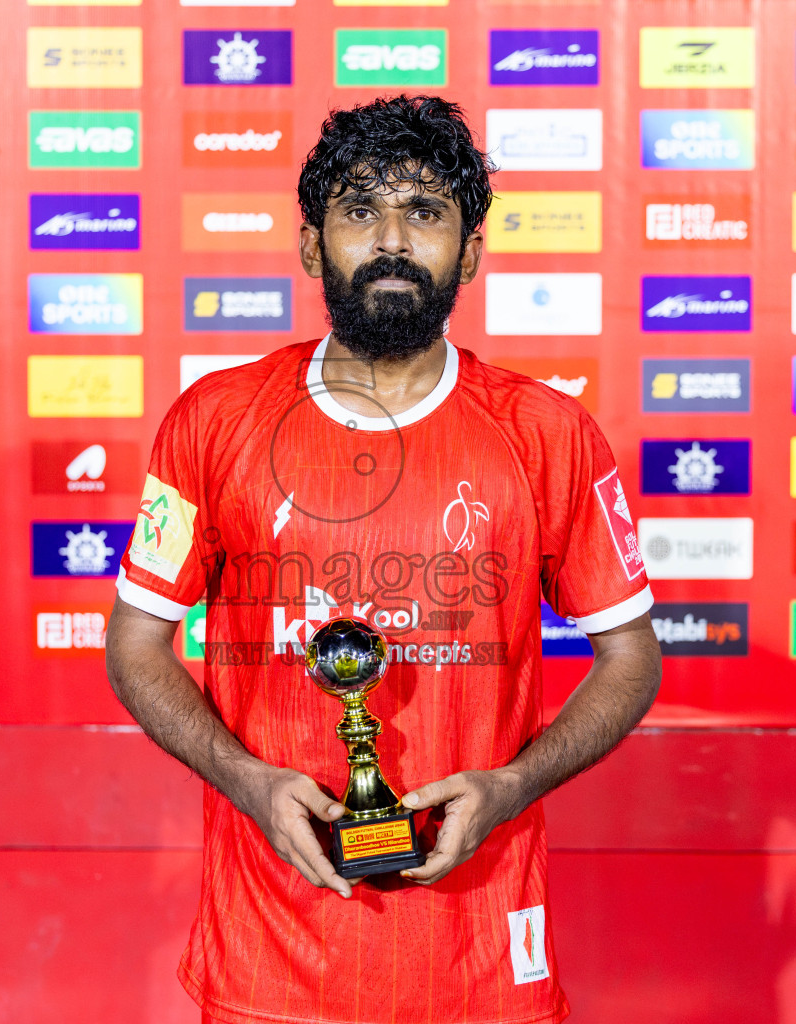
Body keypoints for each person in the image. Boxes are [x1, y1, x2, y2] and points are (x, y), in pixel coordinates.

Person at [106, 95, 662, 1024]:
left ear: (471, 252)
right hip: (270, 963)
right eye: (360, 211)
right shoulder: (213, 422)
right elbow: (135, 644)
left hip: (483, 961)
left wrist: (512, 786)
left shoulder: (546, 433)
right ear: (310, 243)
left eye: (428, 212)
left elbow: (633, 657)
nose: (393, 240)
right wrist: (248, 781)